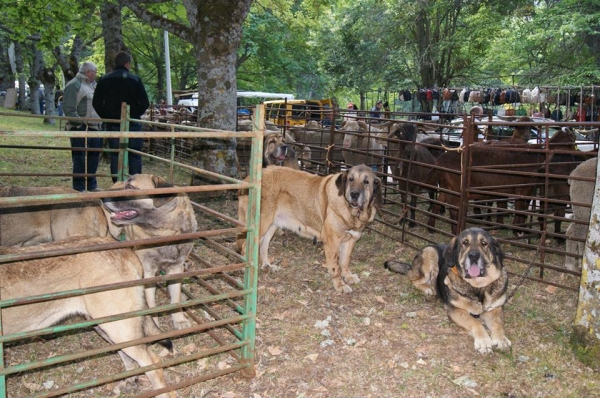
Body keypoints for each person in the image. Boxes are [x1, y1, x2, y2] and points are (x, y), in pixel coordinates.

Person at [93, 51, 149, 182]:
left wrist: (106, 116)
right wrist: (134, 115)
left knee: (115, 155)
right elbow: (145, 102)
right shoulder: (135, 79)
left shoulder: (104, 79)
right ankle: (135, 185)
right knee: (135, 155)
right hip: (133, 123)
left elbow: (96, 102)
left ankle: (117, 185)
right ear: (127, 64)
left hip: (113, 123)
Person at [62, 62, 102, 192]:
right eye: (94, 72)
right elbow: (69, 108)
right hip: (81, 128)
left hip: (94, 127)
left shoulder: (92, 86)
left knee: (94, 157)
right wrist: (79, 124)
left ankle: (91, 185)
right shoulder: (74, 85)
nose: (96, 75)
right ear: (89, 72)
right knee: (79, 158)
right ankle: (79, 187)